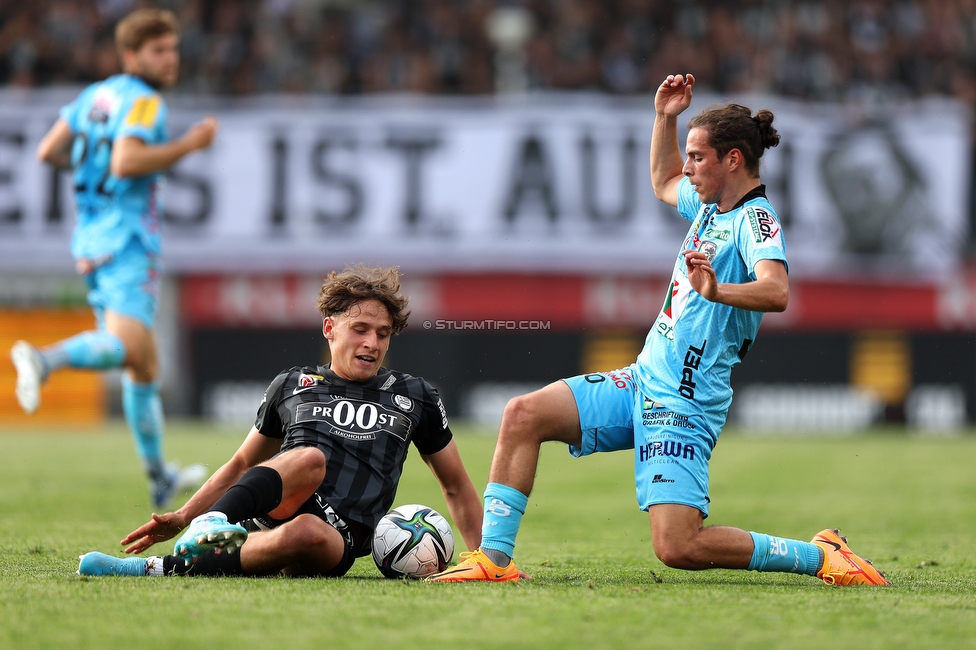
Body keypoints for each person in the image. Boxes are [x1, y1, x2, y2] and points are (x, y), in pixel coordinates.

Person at [428, 73, 889, 586]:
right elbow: (662, 180)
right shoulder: (711, 206)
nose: (687, 167)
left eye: (697, 156)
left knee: (678, 547)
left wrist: (718, 292)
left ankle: (821, 555)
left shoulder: (755, 221)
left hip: (685, 402)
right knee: (522, 415)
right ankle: (494, 558)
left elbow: (777, 290)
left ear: (732, 159)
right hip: (643, 381)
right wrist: (664, 117)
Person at [78, 265, 483, 579]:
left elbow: (456, 484)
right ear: (330, 329)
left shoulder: (415, 395)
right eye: (360, 329)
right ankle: (210, 526)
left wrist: (486, 559)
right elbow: (241, 464)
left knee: (305, 532)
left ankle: (158, 568)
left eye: (382, 333)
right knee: (309, 459)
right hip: (270, 505)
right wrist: (185, 516)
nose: (372, 343)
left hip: (340, 537)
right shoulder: (292, 384)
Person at [12, 9, 216, 508]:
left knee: (144, 366)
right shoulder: (146, 102)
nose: (171, 59)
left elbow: (49, 152)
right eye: (158, 51)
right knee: (127, 348)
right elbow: (127, 160)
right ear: (131, 55)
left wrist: (89, 168)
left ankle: (158, 477)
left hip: (91, 234)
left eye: (173, 49)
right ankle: (42, 359)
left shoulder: (95, 95)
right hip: (127, 240)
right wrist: (188, 144)